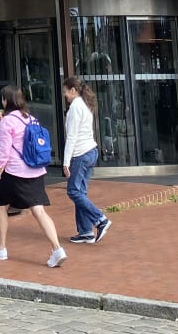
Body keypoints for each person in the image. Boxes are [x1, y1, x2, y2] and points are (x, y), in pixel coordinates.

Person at [0, 85, 66, 267]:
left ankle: (1, 248)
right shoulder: (31, 118)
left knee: (1, 208)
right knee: (39, 210)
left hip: (14, 171)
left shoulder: (7, 121)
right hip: (35, 170)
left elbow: (4, 149)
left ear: (6, 100)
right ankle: (57, 249)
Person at [62, 76, 110, 244]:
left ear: (73, 90)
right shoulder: (84, 104)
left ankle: (100, 219)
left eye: (65, 91)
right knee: (80, 192)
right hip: (90, 151)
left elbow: (72, 136)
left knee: (73, 192)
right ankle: (85, 231)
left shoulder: (75, 107)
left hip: (80, 154)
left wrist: (66, 161)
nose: (64, 95)